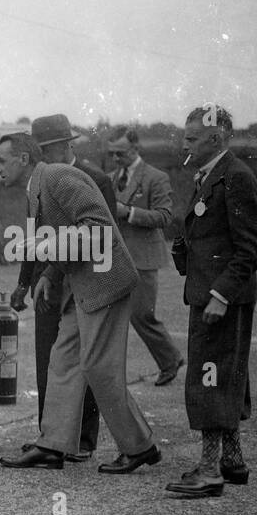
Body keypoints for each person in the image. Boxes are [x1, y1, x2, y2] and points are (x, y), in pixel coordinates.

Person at [0, 132, 159, 473]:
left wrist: (45, 250)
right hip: (81, 285)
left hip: (105, 283)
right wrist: (49, 275)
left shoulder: (57, 176)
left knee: (99, 367)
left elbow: (97, 229)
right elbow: (68, 233)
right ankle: (52, 445)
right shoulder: (37, 187)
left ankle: (139, 446)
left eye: (1, 160)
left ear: (23, 159)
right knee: (63, 361)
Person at [166, 105, 257, 498]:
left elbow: (251, 246)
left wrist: (221, 295)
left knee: (209, 376)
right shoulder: (209, 174)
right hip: (209, 294)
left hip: (219, 299)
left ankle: (209, 470)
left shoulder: (235, 176)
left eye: (191, 137)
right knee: (227, 372)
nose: (184, 143)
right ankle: (232, 460)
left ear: (216, 139)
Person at [10, 114, 113, 460]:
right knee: (47, 360)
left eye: (46, 149)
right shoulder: (36, 182)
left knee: (84, 361)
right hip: (45, 284)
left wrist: (57, 272)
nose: (42, 156)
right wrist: (24, 283)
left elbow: (102, 239)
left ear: (64, 145)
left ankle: (82, 439)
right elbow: (32, 236)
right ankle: (49, 437)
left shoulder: (95, 179)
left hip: (81, 282)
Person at [107, 127, 184, 385]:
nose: (116, 159)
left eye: (121, 153)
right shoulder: (110, 178)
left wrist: (128, 212)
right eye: (112, 154)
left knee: (141, 315)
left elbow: (165, 217)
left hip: (143, 258)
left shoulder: (155, 178)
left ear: (136, 148)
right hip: (115, 258)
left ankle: (170, 359)